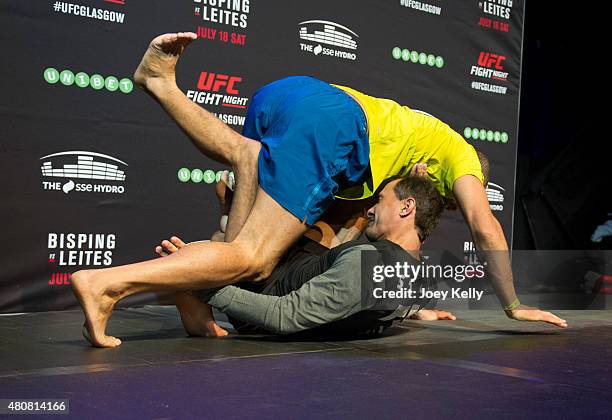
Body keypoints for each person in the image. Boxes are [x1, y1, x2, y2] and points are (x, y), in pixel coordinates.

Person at [71, 32, 567, 348]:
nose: (452, 203)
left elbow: (353, 231)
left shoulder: (401, 161)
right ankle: (105, 284)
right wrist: (511, 303)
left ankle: (160, 84)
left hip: (289, 95)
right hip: (333, 121)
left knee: (242, 159)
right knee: (255, 258)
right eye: (459, 193)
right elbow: (485, 226)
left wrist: (411, 301)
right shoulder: (458, 154)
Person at [159, 175, 456, 337]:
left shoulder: (369, 265)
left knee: (207, 248)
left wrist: (203, 285)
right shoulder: (419, 276)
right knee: (322, 231)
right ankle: (230, 222)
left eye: (381, 200)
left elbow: (282, 315)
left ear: (406, 208)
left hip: (267, 291)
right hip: (309, 266)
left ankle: (225, 233)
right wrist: (418, 310)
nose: (372, 209)